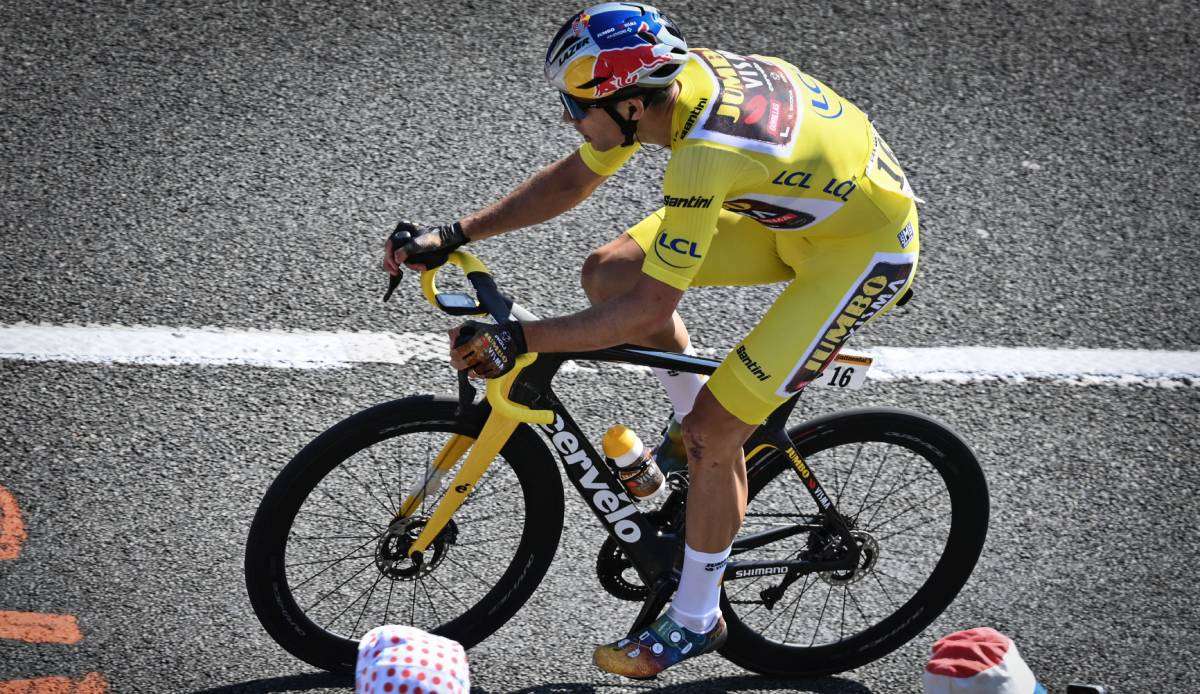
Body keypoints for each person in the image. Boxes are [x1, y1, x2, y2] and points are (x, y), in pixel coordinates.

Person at [383, 1, 920, 679]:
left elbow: (647, 313)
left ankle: (698, 616)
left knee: (714, 431)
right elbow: (578, 177)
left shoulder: (702, 156)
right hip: (801, 211)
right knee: (608, 272)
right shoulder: (667, 91)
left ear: (630, 105)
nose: (569, 118)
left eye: (578, 105)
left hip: (860, 254)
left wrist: (521, 339)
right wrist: (457, 235)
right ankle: (693, 446)